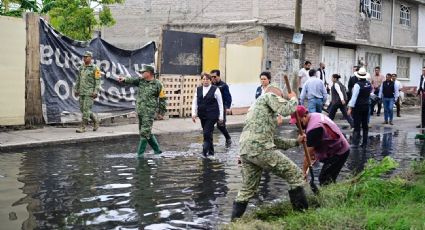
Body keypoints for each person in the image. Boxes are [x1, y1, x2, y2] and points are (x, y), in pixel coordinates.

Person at [231, 86, 307, 220]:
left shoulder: (254, 110)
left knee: (247, 189)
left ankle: (233, 223)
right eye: (280, 98)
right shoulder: (268, 96)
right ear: (276, 95)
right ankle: (303, 217)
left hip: (246, 151)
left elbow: (273, 140)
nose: (280, 101)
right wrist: (293, 98)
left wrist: (296, 142)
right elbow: (287, 109)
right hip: (260, 148)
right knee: (295, 175)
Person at [292, 106, 350, 186]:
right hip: (336, 147)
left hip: (339, 151)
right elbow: (315, 147)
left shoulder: (314, 128)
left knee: (325, 179)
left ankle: (331, 196)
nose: (297, 125)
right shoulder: (314, 115)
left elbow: (307, 155)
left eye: (298, 122)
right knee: (327, 178)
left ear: (305, 116)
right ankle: (333, 193)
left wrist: (304, 173)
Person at [117, 65, 167, 157]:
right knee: (145, 132)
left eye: (143, 72)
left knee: (144, 133)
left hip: (149, 112)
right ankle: (157, 151)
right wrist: (123, 79)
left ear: (149, 73)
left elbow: (163, 99)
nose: (141, 73)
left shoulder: (158, 84)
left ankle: (139, 155)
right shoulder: (140, 81)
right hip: (140, 111)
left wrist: (161, 112)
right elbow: (131, 80)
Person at [192, 73, 224, 158]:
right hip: (202, 115)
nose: (205, 81)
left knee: (206, 133)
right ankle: (211, 153)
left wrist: (221, 116)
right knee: (208, 134)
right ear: (201, 80)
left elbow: (220, 103)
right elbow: (194, 102)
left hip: (212, 115)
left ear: (210, 80)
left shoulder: (215, 89)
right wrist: (193, 113)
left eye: (207, 79)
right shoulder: (198, 89)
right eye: (204, 79)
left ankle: (204, 153)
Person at [74, 51, 101, 133]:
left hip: (89, 92)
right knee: (83, 109)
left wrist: (96, 91)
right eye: (84, 57)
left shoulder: (95, 68)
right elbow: (78, 79)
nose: (84, 58)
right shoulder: (81, 68)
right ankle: (96, 120)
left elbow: (98, 81)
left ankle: (83, 127)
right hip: (82, 92)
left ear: (90, 58)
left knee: (86, 110)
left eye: (86, 57)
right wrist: (76, 89)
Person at [348, 67, 372, 147]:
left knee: (357, 124)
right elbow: (369, 94)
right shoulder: (368, 83)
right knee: (365, 124)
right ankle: (364, 142)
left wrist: (350, 107)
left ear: (358, 76)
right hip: (366, 105)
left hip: (358, 106)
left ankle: (355, 142)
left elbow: (354, 97)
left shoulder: (357, 85)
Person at [211, 69, 232, 148]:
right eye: (211, 77)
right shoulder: (210, 85)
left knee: (220, 125)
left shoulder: (223, 85)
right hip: (211, 108)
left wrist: (227, 107)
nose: (213, 78)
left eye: (214, 77)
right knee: (209, 125)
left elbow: (228, 97)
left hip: (221, 108)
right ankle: (208, 141)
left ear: (219, 76)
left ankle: (228, 138)